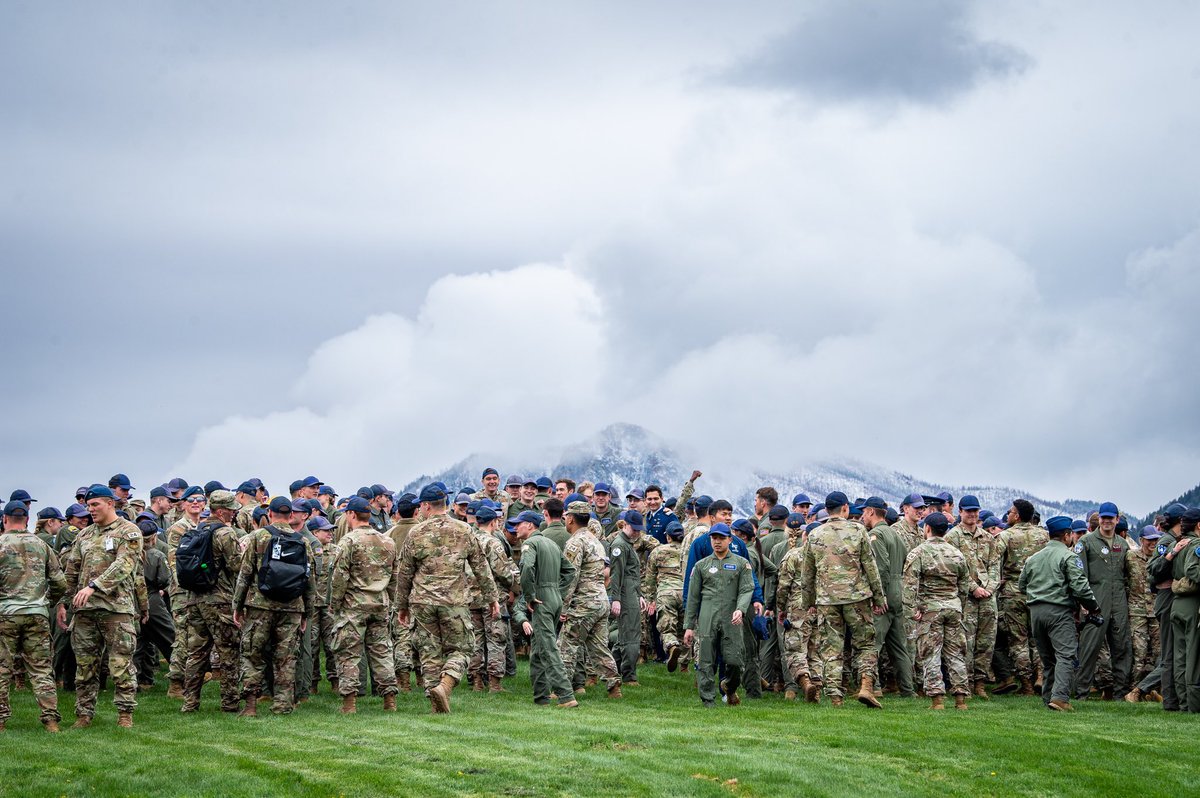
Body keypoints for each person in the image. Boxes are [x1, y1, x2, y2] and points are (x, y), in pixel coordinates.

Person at [395, 484, 499, 714]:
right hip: (454, 600)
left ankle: (436, 703)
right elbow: (481, 567)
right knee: (462, 648)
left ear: (425, 506)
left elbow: (405, 573)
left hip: (422, 601)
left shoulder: (416, 533)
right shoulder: (464, 530)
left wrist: (401, 606)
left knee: (429, 652)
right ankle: (446, 684)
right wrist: (492, 598)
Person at [60, 485, 144, 728]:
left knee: (120, 665)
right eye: (88, 506)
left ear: (110, 503)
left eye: (95, 505)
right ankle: (84, 714)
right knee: (85, 666)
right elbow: (72, 571)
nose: (90, 510)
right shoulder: (84, 535)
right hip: (85, 611)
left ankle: (125, 714)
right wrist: (64, 603)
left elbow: (124, 565)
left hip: (115, 609)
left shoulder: (129, 531)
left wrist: (94, 586)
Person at [799, 492, 886, 708]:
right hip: (857, 596)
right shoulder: (858, 530)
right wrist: (878, 596)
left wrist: (807, 602)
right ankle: (866, 685)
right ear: (845, 508)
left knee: (831, 648)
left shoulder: (815, 534)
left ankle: (835, 696)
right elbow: (870, 566)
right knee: (865, 643)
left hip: (827, 599)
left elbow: (807, 573)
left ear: (827, 510)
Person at [232, 496, 317, 717]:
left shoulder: (258, 537)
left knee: (253, 655)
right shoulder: (303, 541)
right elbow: (310, 581)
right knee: (286, 658)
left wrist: (237, 605)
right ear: (290, 516)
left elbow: (245, 574)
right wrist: (308, 612)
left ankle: (250, 705)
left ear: (269, 513)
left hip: (260, 606)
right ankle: (283, 705)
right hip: (292, 607)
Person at [1019, 515, 1101, 711]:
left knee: (1048, 660)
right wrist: (1093, 606)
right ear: (1066, 535)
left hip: (1036, 612)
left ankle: (1048, 697)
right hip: (1059, 611)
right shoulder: (1068, 557)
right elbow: (1080, 587)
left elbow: (1022, 585)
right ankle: (1060, 698)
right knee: (1066, 655)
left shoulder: (1034, 558)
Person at [0, 500, 67, 732]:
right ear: (27, 520)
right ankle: (50, 720)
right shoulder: (41, 545)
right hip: (37, 613)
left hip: (5, 614)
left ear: (5, 519)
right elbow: (60, 582)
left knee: (2, 668)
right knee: (40, 668)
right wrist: (48, 601)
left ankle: (0, 720)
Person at [329, 496, 400, 714]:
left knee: (348, 653)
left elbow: (339, 577)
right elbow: (394, 577)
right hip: (380, 604)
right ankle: (389, 699)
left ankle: (349, 703)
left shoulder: (348, 542)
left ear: (351, 514)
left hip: (353, 606)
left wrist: (335, 604)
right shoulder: (387, 541)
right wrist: (391, 600)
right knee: (382, 652)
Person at [179, 491, 243, 714]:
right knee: (228, 651)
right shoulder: (225, 533)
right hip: (219, 600)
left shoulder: (197, 529)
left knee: (196, 653)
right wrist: (242, 551)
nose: (235, 511)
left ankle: (189, 702)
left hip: (194, 599)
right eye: (232, 508)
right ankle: (230, 702)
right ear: (222, 510)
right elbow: (236, 566)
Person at [904, 512, 970, 710]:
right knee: (955, 652)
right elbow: (964, 585)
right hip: (953, 607)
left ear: (927, 529)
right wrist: (960, 605)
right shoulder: (957, 554)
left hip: (930, 610)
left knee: (931, 653)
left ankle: (937, 698)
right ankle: (960, 698)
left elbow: (909, 585)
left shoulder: (919, 553)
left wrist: (911, 609)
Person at [683, 523, 754, 707]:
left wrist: (741, 608)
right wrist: (689, 626)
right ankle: (708, 700)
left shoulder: (741, 564)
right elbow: (693, 597)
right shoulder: (701, 566)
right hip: (708, 616)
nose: (717, 542)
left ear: (730, 540)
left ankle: (729, 686)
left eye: (722, 538)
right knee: (706, 660)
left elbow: (747, 589)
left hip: (732, 618)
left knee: (735, 660)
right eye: (714, 538)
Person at [511, 514, 578, 708]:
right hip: (554, 597)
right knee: (539, 648)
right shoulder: (551, 544)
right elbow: (570, 571)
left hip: (540, 598)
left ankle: (566, 695)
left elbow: (527, 568)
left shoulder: (530, 545)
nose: (516, 528)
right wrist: (558, 591)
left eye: (519, 524)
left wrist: (530, 595)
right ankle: (541, 696)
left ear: (530, 525)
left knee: (548, 647)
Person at [1072, 502, 1133, 700]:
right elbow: (1079, 575)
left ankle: (1120, 693)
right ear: (1099, 520)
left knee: (1122, 647)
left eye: (1110, 518)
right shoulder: (1086, 542)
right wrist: (1085, 603)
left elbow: (1128, 576)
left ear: (1117, 519)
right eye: (1103, 518)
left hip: (1119, 602)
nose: (1107, 521)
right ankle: (1081, 692)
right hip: (1095, 602)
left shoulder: (1122, 545)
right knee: (1089, 648)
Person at [943, 495, 1000, 698]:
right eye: (968, 511)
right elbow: (955, 570)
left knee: (986, 642)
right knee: (964, 642)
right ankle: (963, 683)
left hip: (987, 598)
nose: (972, 515)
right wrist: (973, 588)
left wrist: (990, 588)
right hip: (965, 598)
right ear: (960, 512)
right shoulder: (952, 537)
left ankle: (980, 683)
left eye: (975, 511)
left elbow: (995, 566)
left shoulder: (988, 538)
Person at [994, 499, 1048, 696]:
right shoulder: (1043, 535)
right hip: (1039, 591)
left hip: (1013, 591)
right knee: (1038, 638)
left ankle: (1026, 684)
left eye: (1010, 512)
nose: (1008, 515)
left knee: (1018, 640)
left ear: (1016, 515)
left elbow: (993, 560)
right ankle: (1040, 676)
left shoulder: (1006, 536)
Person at [862, 497, 914, 698]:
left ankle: (872, 688)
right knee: (899, 646)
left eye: (865, 512)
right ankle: (908, 689)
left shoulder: (875, 535)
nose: (863, 517)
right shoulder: (896, 534)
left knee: (873, 642)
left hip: (886, 590)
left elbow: (880, 567)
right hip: (899, 589)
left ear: (872, 512)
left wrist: (878, 597)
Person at [467, 506, 518, 693]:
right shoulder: (493, 543)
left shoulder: (468, 540)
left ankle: (477, 681)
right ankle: (495, 683)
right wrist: (514, 583)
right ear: (493, 522)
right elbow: (502, 572)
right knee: (496, 638)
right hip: (492, 598)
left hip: (471, 598)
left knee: (476, 640)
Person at [163, 485, 207, 698]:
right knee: (183, 635)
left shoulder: (202, 526)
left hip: (198, 588)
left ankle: (190, 680)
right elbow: (174, 562)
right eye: (191, 500)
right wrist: (184, 585)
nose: (196, 503)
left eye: (200, 499)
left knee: (195, 636)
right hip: (182, 589)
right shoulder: (179, 528)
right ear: (184, 504)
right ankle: (176, 683)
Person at [1146, 503, 1187, 711]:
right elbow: (1152, 571)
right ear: (1181, 521)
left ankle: (1176, 698)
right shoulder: (1167, 540)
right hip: (1167, 598)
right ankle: (1171, 701)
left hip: (1173, 597)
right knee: (1169, 653)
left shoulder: (1177, 539)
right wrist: (1171, 556)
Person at [1165, 507, 1200, 712]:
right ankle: (1193, 705)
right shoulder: (1196, 545)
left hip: (1177, 603)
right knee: (1193, 656)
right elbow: (1194, 571)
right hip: (1192, 604)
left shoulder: (1177, 545)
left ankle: (1184, 701)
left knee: (1180, 656)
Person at [644, 519, 688, 673]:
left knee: (666, 628)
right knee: (685, 629)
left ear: (668, 537)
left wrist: (650, 600)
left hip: (666, 593)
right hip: (685, 593)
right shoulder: (687, 550)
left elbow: (649, 578)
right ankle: (684, 666)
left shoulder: (658, 551)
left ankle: (671, 646)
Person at [607, 509, 645, 685]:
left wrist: (639, 595)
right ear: (626, 525)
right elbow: (617, 575)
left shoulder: (626, 543)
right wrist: (616, 599)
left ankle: (613, 669)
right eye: (634, 529)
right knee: (630, 635)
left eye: (639, 529)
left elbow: (631, 574)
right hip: (625, 593)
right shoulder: (620, 545)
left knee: (625, 634)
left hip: (630, 591)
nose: (637, 533)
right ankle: (629, 675)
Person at [1125, 525, 1162, 700]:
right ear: (1141, 540)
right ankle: (1134, 689)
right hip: (1137, 611)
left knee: (1158, 652)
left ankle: (1153, 690)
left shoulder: (1161, 558)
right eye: (1149, 540)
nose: (1153, 543)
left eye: (1156, 539)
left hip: (1156, 611)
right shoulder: (1131, 557)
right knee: (1138, 653)